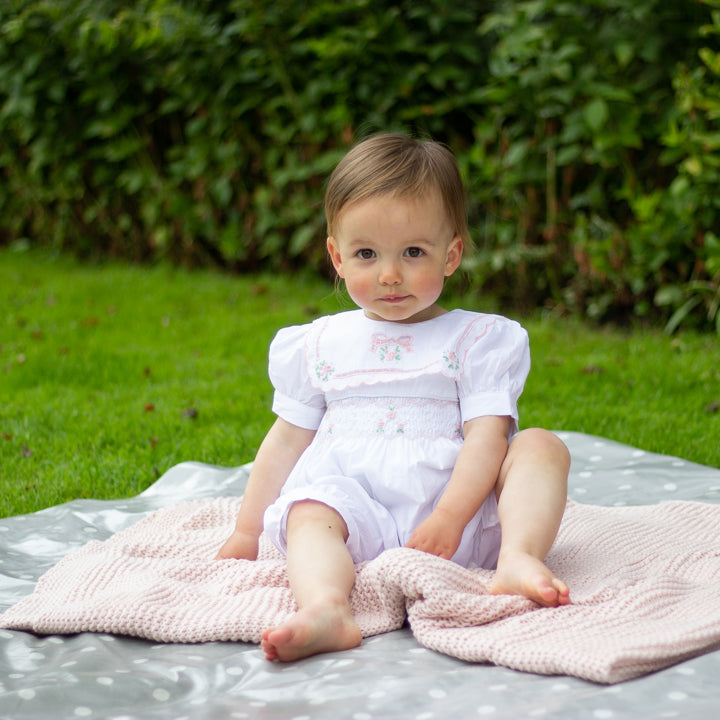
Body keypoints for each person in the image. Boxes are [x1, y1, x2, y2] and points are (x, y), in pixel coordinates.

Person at [217, 133, 571, 662]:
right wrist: (247, 530)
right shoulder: (319, 343)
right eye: (366, 253)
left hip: (463, 520)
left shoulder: (476, 339)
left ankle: (518, 558)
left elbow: (488, 436)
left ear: (451, 255)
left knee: (541, 445)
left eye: (413, 252)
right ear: (336, 257)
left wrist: (452, 515)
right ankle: (327, 607)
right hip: (355, 515)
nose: (389, 274)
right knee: (310, 510)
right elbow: (287, 440)